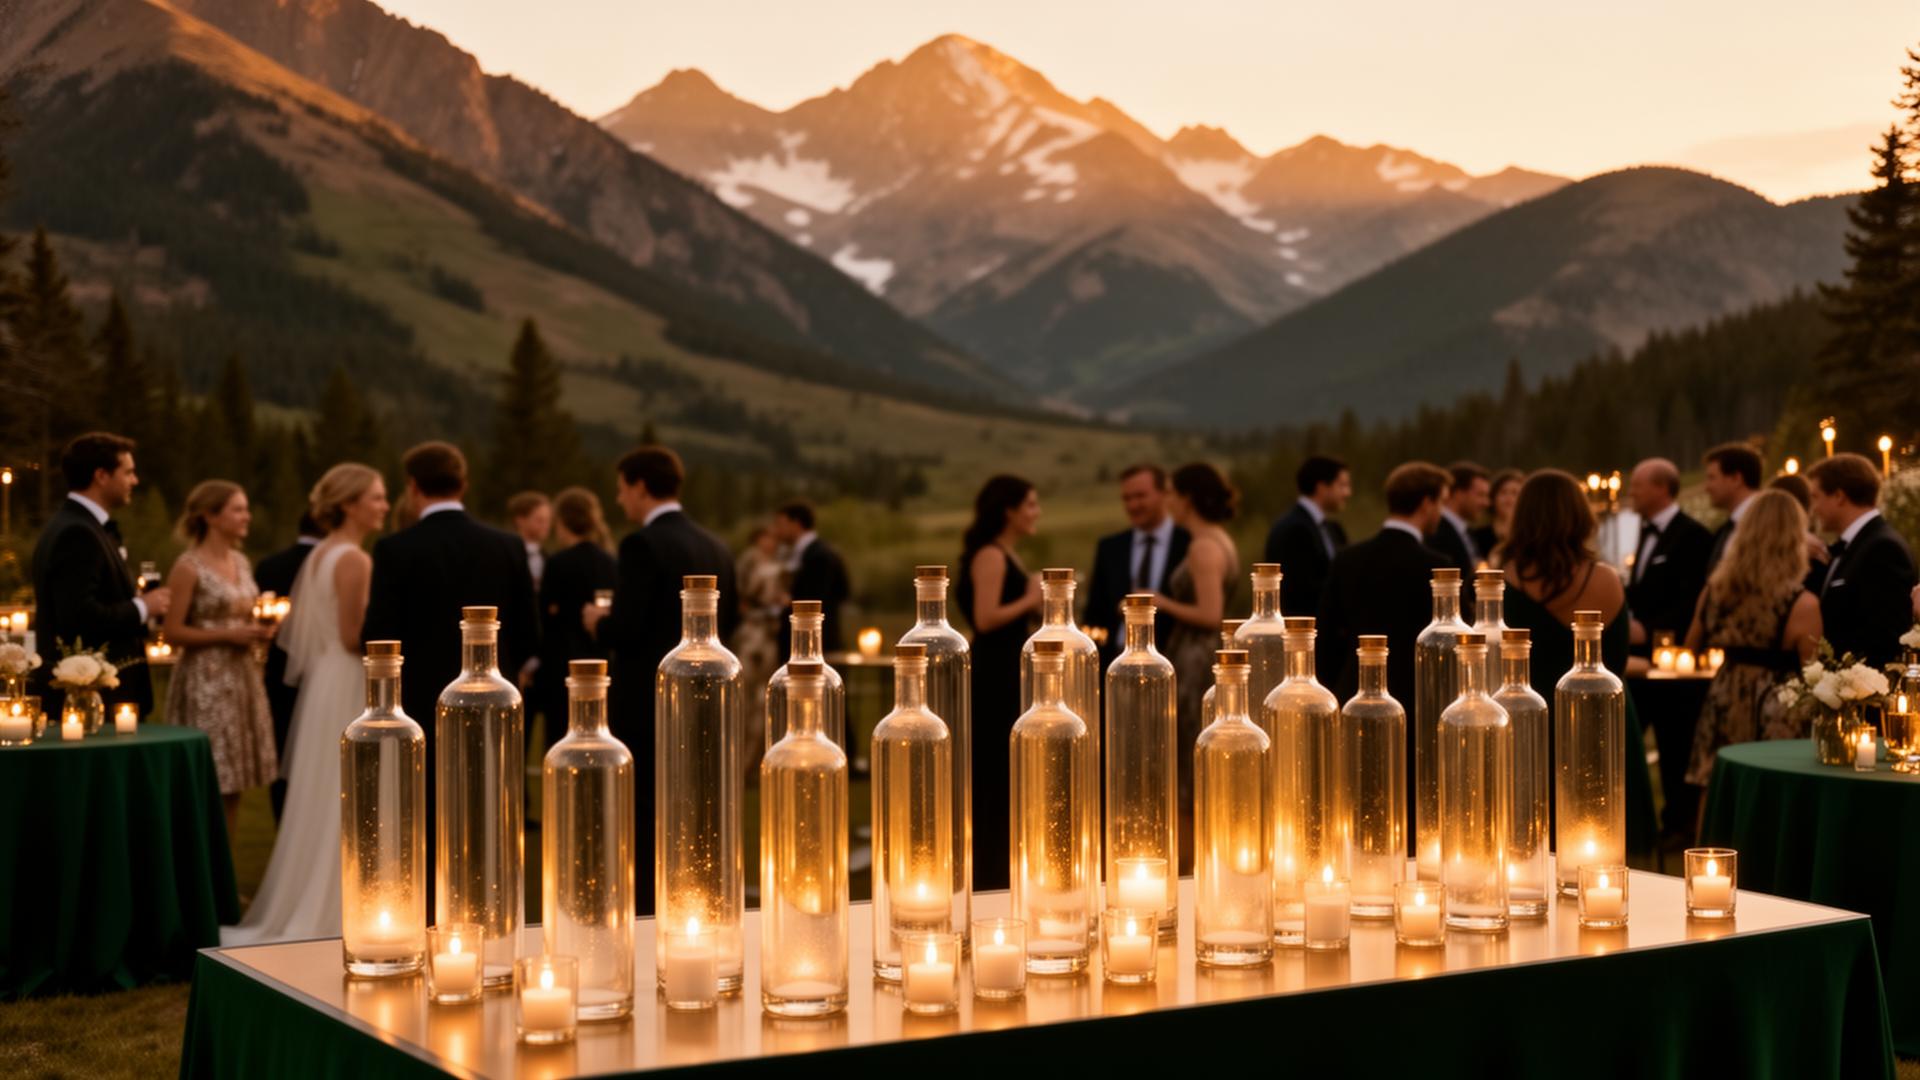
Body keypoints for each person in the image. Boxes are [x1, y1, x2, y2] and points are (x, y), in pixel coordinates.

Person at [362, 442, 537, 908]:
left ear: (414, 487)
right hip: (492, 699)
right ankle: (490, 901)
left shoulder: (396, 549)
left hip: (419, 700)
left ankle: (428, 906)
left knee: (425, 809)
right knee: (489, 808)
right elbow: (529, 633)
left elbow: (378, 634)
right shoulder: (507, 545)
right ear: (463, 484)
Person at [226, 463, 389, 944]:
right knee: (351, 791)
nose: (384, 505)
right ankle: (337, 908)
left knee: (324, 790)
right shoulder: (355, 560)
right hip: (348, 679)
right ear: (349, 504)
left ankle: (319, 899)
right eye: (376, 497)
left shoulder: (321, 554)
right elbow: (353, 635)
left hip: (323, 682)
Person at [580, 445, 738, 914]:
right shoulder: (716, 546)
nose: (618, 498)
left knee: (648, 810)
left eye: (623, 487)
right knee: (701, 808)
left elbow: (627, 628)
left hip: (650, 701)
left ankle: (650, 906)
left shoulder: (640, 545)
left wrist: (597, 621)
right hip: (708, 699)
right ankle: (701, 901)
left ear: (641, 486)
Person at [1500, 469, 1657, 866]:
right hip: (1601, 718)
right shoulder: (1604, 580)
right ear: (1579, 516)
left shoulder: (1502, 580)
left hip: (1528, 723)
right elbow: (1616, 662)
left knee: (1529, 848)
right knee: (1606, 845)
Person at [1682, 490, 1823, 796]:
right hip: (1777, 703)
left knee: (1717, 787)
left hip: (1725, 694)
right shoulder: (1802, 604)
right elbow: (1813, 673)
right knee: (1772, 789)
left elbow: (1691, 647)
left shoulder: (1715, 591)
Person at [161, 480, 277, 842]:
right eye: (238, 509)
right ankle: (201, 878)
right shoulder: (188, 566)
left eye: (246, 508)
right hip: (205, 682)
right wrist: (226, 635)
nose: (247, 516)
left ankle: (224, 881)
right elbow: (173, 632)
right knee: (209, 781)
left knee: (234, 783)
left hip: (241, 677)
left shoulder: (241, 561)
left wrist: (257, 630)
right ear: (210, 516)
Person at [29, 433, 171, 717]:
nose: (135, 480)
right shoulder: (77, 533)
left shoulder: (82, 526)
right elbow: (80, 616)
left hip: (98, 692)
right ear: (101, 476)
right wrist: (144, 607)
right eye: (128, 472)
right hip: (88, 696)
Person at [1153, 462, 1241, 871]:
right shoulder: (1218, 539)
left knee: (1189, 770)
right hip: (1197, 656)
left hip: (1194, 661)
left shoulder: (1203, 547)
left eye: (1169, 492)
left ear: (1186, 497)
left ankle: (1189, 865)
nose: (1165, 500)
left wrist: (1157, 601)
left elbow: (1211, 612)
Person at [956, 474, 1042, 891]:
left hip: (1009, 670)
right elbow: (986, 618)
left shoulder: (1007, 553)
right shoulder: (990, 555)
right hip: (994, 676)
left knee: (1008, 773)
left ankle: (1005, 868)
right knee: (993, 773)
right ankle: (990, 873)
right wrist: (1031, 600)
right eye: (1029, 504)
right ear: (1008, 510)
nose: (1036, 512)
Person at [1316, 462, 1452, 710]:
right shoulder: (1437, 567)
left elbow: (1325, 637)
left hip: (1353, 694)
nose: (1441, 513)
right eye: (1441, 503)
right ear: (1426, 504)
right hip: (1418, 699)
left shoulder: (1347, 558)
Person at [1806, 453, 1917, 669]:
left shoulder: (1883, 548)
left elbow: (1885, 638)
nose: (1813, 508)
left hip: (1860, 694)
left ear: (1839, 496)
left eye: (1816, 497)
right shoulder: (1849, 545)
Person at [534, 487, 618, 745]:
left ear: (561, 522)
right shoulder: (609, 560)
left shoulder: (559, 562)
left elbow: (543, 614)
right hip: (600, 659)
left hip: (562, 663)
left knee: (562, 738)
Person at [1084, 464, 1189, 666]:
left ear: (1164, 494)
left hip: (1173, 662)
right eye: (1127, 498)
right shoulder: (1110, 547)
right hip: (1115, 661)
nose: (1133, 505)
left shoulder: (1189, 544)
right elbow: (1094, 616)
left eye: (1140, 496)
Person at [255, 513, 322, 822]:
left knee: (284, 757)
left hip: (280, 676)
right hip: (326, 674)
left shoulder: (270, 565)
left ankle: (285, 825)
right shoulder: (337, 562)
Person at [1623, 457, 1712, 650]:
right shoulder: (1646, 529)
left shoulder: (1694, 535)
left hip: (1674, 651)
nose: (1631, 493)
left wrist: (1647, 630)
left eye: (1637, 486)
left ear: (1662, 488)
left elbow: (1693, 602)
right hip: (1642, 649)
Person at [1262, 454, 1350, 617]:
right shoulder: (1294, 529)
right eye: (1342, 485)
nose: (1347, 493)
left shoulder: (1332, 529)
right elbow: (1299, 591)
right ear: (1322, 487)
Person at [733, 525, 789, 754]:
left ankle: (758, 754)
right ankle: (742, 753)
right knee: (745, 694)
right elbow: (743, 593)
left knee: (764, 696)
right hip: (753, 631)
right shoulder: (750, 561)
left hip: (769, 631)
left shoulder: (779, 562)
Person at [774, 501, 850, 654]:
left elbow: (818, 599)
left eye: (781, 524)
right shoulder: (810, 553)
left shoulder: (819, 556)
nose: (778, 530)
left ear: (796, 524)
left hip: (812, 643)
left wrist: (789, 601)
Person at [1703, 442, 1763, 573]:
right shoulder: (1726, 530)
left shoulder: (1768, 523)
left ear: (1736, 479)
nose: (1706, 488)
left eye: (1712, 478)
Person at [1431, 461, 1491, 580]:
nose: (1486, 503)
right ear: (1458, 493)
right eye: (1480, 495)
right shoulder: (1435, 531)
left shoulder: (1466, 531)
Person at [1471, 468, 1524, 560]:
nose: (1509, 499)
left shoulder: (1529, 537)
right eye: (1503, 492)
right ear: (1493, 497)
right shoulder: (1477, 536)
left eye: (1515, 493)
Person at [509, 491, 553, 593]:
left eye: (548, 520)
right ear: (520, 520)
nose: (546, 525)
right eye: (540, 520)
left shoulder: (547, 557)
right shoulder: (507, 554)